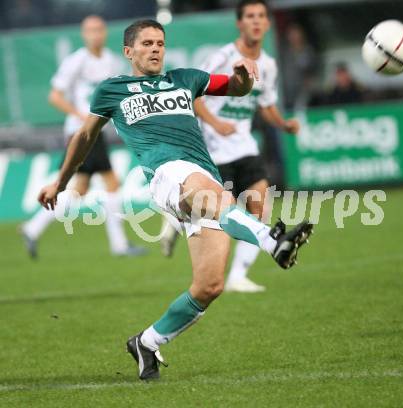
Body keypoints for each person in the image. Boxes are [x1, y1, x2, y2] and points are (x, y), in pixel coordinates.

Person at [38, 19, 314, 382]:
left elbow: (236, 88)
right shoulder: (113, 90)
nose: (155, 49)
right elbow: (85, 135)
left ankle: (147, 342)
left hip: (202, 176)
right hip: (166, 175)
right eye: (147, 43)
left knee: (209, 286)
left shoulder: (186, 78)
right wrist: (61, 180)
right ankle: (272, 240)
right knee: (214, 193)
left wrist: (245, 76)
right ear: (129, 51)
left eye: (160, 43)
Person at [161, 0, 300, 293]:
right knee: (212, 211)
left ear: (268, 23)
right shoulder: (223, 57)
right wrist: (213, 122)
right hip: (212, 147)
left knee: (259, 206)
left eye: (261, 16)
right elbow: (192, 93)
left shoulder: (269, 65)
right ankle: (175, 221)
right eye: (250, 16)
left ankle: (238, 275)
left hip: (244, 144)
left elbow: (266, 104)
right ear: (239, 23)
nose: (256, 21)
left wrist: (283, 124)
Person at [20, 15, 145, 258]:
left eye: (99, 29)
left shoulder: (110, 61)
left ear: (105, 32)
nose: (95, 34)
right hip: (82, 131)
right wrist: (80, 114)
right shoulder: (76, 61)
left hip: (97, 130)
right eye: (90, 30)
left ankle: (32, 228)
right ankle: (119, 245)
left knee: (80, 189)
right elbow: (55, 96)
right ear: (83, 34)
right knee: (111, 183)